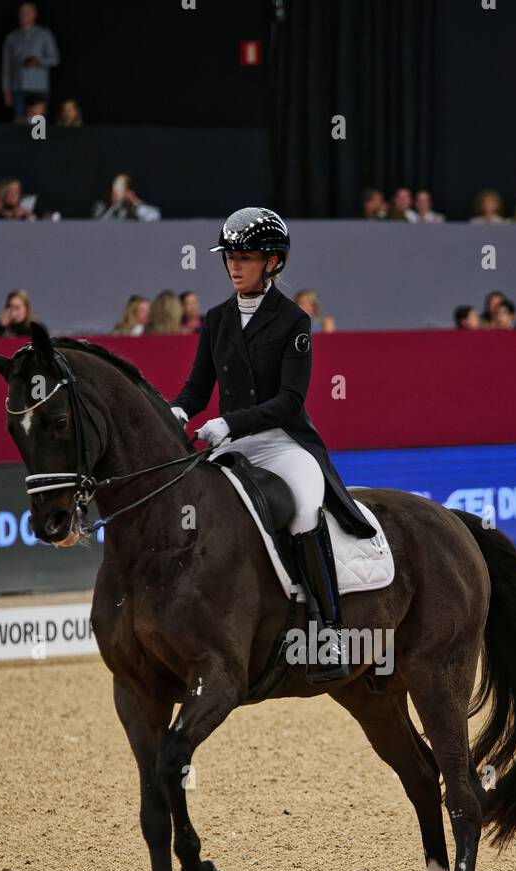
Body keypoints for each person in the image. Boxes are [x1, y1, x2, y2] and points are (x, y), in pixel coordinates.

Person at [169, 206, 376, 682]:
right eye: (230, 257)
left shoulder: (292, 321)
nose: (233, 265)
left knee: (305, 507)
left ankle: (329, 632)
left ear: (273, 262)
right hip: (230, 443)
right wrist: (179, 409)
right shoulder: (218, 318)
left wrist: (230, 423)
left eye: (245, 256)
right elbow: (198, 387)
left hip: (281, 443)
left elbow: (289, 400)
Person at [1, 2, 59, 121]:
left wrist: (38, 61)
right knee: (19, 123)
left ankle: (39, 139)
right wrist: (6, 90)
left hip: (38, 87)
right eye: (22, 13)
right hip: (18, 87)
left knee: (38, 125)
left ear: (34, 14)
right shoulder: (11, 37)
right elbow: (6, 65)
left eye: (27, 13)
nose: (24, 16)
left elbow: (55, 59)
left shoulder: (44, 34)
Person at [91, 172, 160, 221]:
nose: (113, 195)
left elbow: (154, 218)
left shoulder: (141, 210)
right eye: (113, 192)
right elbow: (99, 228)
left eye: (118, 191)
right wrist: (114, 209)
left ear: (129, 192)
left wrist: (136, 205)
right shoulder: (105, 209)